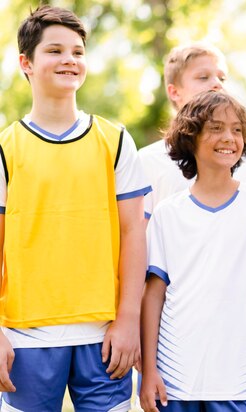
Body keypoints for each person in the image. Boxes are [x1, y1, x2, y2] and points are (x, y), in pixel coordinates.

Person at [0, 5, 150, 411]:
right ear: (25, 63)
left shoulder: (115, 140)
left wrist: (128, 320)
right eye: (55, 51)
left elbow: (135, 232)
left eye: (78, 52)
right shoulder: (5, 148)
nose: (69, 59)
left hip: (103, 338)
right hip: (25, 338)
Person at [139, 90, 246, 412]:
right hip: (175, 381)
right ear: (191, 137)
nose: (228, 137)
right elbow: (153, 295)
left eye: (237, 129)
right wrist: (149, 372)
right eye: (215, 128)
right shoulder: (167, 213)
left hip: (241, 383)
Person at [139, 43, 246, 221]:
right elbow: (141, 234)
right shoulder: (147, 160)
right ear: (174, 92)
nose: (217, 84)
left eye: (222, 79)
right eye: (203, 77)